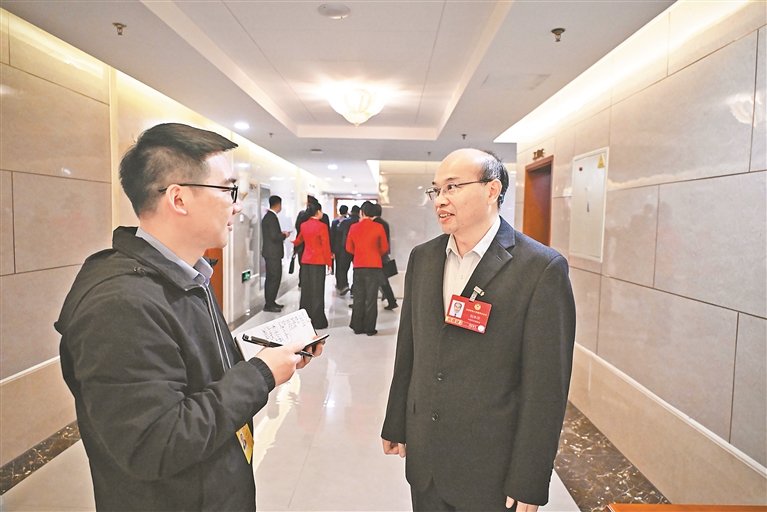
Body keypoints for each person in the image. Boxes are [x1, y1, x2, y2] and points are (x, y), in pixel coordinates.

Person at [55, 123, 322, 512]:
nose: (237, 206)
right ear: (178, 199)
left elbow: (197, 374)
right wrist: (260, 374)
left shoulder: (187, 275)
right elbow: (155, 444)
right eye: (228, 190)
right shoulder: (120, 304)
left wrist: (267, 356)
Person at [381, 148, 576, 511]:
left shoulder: (540, 268)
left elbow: (546, 387)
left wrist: (530, 476)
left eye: (452, 187)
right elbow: (410, 349)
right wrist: (396, 422)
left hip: (491, 468)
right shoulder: (423, 258)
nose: (440, 200)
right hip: (426, 459)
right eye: (436, 190)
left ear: (492, 190)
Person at [346, 201, 388, 336]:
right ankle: (370, 328)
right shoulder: (379, 227)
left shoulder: (353, 227)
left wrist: (359, 253)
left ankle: (357, 326)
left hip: (358, 265)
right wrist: (375, 254)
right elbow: (384, 247)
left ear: (361, 212)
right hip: (374, 266)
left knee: (358, 297)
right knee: (371, 297)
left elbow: (349, 248)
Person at [293, 202, 332, 329]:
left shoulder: (304, 225)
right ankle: (318, 320)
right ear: (318, 212)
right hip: (318, 261)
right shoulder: (322, 226)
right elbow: (325, 245)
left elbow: (299, 240)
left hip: (306, 260)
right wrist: (329, 263)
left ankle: (304, 318)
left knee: (306, 290)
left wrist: (292, 242)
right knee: (317, 290)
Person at [262, 195, 291, 312]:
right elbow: (274, 236)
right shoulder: (271, 217)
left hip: (270, 253)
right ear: (278, 205)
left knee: (271, 278)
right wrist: (284, 235)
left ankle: (271, 301)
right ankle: (269, 304)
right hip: (273, 253)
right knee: (274, 278)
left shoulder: (268, 216)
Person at [371, 203, 398, 310]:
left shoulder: (375, 224)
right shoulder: (385, 223)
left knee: (382, 280)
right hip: (383, 254)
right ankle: (390, 299)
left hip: (377, 255)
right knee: (383, 280)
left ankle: (391, 300)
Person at [336, 205, 360, 295]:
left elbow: (338, 228)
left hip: (346, 247)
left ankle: (344, 286)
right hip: (357, 248)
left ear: (351, 212)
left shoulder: (346, 221)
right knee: (356, 269)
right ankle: (354, 289)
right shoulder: (359, 221)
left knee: (343, 268)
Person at [330, 205, 349, 286]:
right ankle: (345, 282)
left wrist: (331, 248)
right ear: (347, 211)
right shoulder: (348, 221)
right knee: (345, 266)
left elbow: (332, 235)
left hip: (337, 247)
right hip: (346, 247)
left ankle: (339, 283)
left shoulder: (335, 221)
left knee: (338, 265)